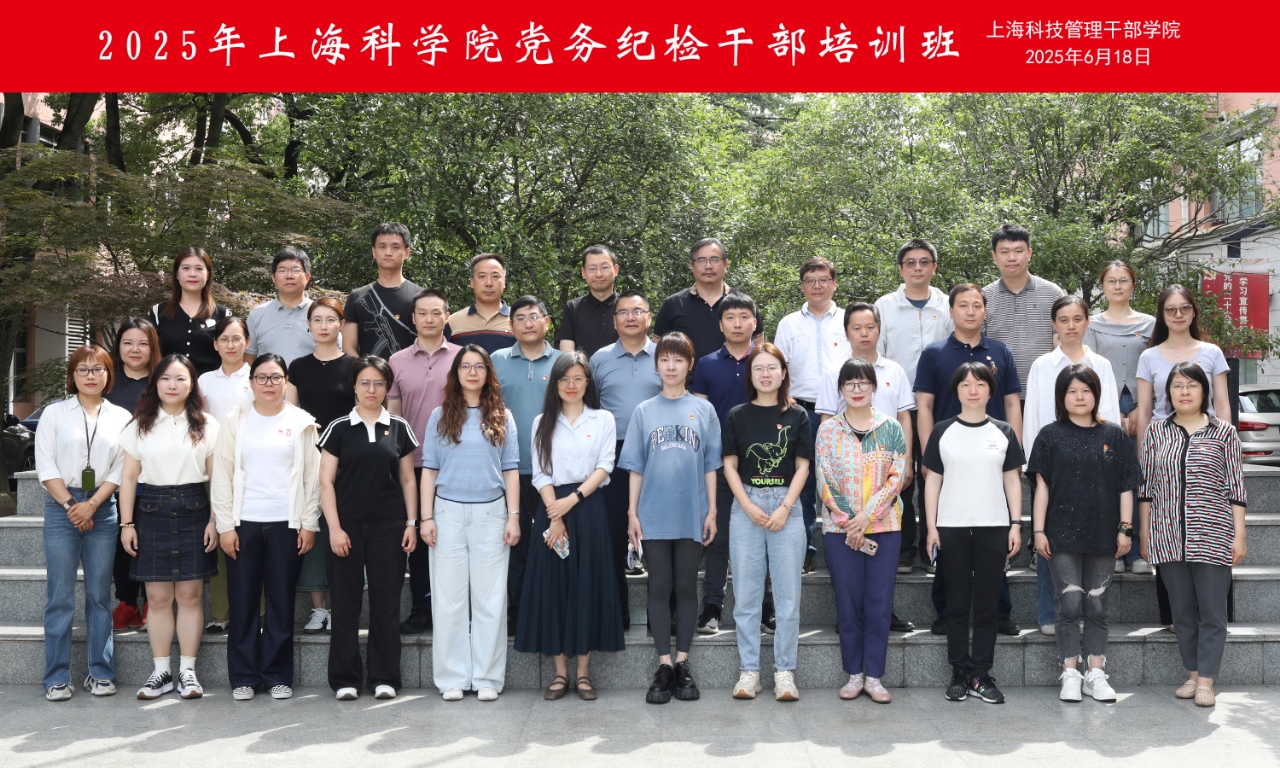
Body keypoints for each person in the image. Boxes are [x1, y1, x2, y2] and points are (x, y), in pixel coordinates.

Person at [1028, 364, 1141, 703]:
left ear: (1096, 394)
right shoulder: (1049, 435)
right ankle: (1070, 672)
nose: (1080, 397)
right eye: (1072, 391)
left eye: (1086, 390)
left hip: (1104, 533)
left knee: (1097, 604)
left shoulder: (1115, 436)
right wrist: (1038, 530)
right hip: (1060, 533)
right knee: (1069, 603)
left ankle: (1096, 672)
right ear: (1061, 397)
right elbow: (1041, 488)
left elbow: (1126, 487)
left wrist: (1125, 529)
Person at [619, 332, 722, 705]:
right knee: (659, 587)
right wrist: (632, 513)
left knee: (686, 587)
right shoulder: (644, 411)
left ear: (690, 364)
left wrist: (712, 511)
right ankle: (663, 665)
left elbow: (711, 466)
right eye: (664, 359)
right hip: (653, 514)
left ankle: (682, 662)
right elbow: (635, 467)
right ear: (657, 364)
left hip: (692, 513)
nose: (671, 366)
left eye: (679, 359)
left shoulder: (704, 411)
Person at [515, 351, 624, 700]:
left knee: (587, 586)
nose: (571, 385)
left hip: (588, 508)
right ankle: (560, 673)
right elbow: (540, 472)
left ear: (587, 382)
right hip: (552, 507)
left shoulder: (602, 419)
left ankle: (584, 673)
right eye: (564, 379)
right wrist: (556, 515)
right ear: (555, 383)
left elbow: (605, 467)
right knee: (555, 588)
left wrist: (571, 501)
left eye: (578, 378)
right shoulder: (542, 422)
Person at [914, 284, 1022, 636]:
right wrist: (929, 454)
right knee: (947, 538)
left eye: (977, 305)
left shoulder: (1001, 352)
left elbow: (1011, 403)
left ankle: (999, 612)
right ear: (951, 311)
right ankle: (947, 611)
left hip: (992, 457)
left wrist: (1015, 452)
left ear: (985, 311)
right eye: (963, 305)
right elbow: (925, 406)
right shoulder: (934, 353)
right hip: (950, 456)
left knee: (995, 537)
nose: (970, 311)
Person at [211, 354, 321, 701]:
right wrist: (225, 525)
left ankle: (276, 675)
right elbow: (222, 474)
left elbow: (312, 477)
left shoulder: (302, 422)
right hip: (243, 523)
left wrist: (309, 522)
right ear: (251, 383)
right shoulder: (235, 420)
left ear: (286, 381)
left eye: (276, 377)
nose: (269, 384)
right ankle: (243, 676)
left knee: (280, 602)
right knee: (242, 602)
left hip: (287, 524)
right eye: (261, 377)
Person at [1139, 362, 1246, 708]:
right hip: (1168, 534)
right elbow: (1146, 488)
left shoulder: (1224, 433)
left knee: (1213, 612)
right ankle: (1193, 673)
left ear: (1205, 391)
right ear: (1168, 392)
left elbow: (1236, 488)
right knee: (1182, 612)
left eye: (1192, 385)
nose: (1184, 392)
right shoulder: (1156, 433)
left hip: (1213, 534)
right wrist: (1145, 534)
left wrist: (1239, 535)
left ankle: (1207, 680)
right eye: (1177, 386)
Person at [419, 345, 521, 701]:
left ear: (488, 373)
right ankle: (452, 678)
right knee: (448, 600)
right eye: (466, 366)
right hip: (446, 513)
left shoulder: (502, 416)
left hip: (491, 514)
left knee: (490, 599)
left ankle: (487, 678)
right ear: (456, 372)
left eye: (479, 366)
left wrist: (514, 516)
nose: (473, 372)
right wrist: (426, 518)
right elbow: (429, 469)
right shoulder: (439, 416)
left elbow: (511, 470)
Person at [317, 356, 419, 701]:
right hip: (345, 526)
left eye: (378, 383)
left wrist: (411, 523)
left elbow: (408, 480)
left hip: (389, 527)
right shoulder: (338, 428)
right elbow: (326, 483)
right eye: (365, 382)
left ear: (387, 387)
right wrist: (334, 528)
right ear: (354, 386)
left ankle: (384, 677)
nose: (372, 389)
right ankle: (345, 679)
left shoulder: (400, 427)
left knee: (386, 604)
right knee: (345, 604)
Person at [118, 355, 219, 700]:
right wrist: (127, 523)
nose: (172, 385)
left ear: (192, 384)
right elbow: (128, 478)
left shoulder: (207, 424)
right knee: (158, 597)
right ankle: (160, 672)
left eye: (180, 379)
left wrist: (215, 520)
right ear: (155, 383)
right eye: (165, 379)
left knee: (190, 595)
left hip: (195, 508)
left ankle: (188, 672)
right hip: (151, 508)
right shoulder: (139, 424)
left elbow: (217, 478)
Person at [923, 362, 1024, 705]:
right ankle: (959, 673)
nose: (973, 390)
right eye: (965, 384)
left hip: (993, 526)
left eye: (980, 384)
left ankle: (980, 673)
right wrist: (932, 527)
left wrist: (1015, 523)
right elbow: (932, 481)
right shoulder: (943, 431)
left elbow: (1012, 480)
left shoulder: (1003, 431)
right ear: (956, 391)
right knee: (955, 604)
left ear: (990, 391)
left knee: (987, 605)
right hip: (951, 527)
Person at [36, 346, 131, 701]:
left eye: (98, 369)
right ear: (72, 375)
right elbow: (46, 465)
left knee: (99, 595)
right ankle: (56, 677)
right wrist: (73, 505)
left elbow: (121, 469)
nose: (91, 376)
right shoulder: (54, 413)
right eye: (83, 370)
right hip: (61, 506)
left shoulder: (121, 416)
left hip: (102, 508)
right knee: (60, 596)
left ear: (108, 374)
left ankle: (100, 673)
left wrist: (92, 505)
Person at [1022, 296, 1121, 636]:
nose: (1071, 325)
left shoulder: (1101, 365)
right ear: (1054, 324)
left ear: (1087, 322)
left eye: (1077, 318)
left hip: (1095, 466)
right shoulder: (1042, 365)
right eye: (1063, 320)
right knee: (1048, 538)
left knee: (1092, 539)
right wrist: (1034, 465)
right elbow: (1032, 416)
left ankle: (1087, 614)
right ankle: (1050, 614)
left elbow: (1110, 414)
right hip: (1052, 465)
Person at [1136, 286, 1232, 632]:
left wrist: (1226, 449)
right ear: (1161, 315)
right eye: (1170, 310)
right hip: (1164, 452)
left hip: (1206, 450)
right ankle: (1177, 618)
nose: (1178, 315)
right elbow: (1144, 412)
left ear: (1193, 312)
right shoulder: (1150, 356)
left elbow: (1222, 405)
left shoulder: (1211, 352)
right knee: (1168, 534)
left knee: (1210, 537)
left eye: (1184, 308)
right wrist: (1145, 457)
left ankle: (1212, 616)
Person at [724, 343, 811, 701]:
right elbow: (730, 465)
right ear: (750, 374)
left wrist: (785, 507)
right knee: (746, 597)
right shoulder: (737, 415)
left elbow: (803, 466)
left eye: (772, 367)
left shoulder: (797, 415)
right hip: (746, 505)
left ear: (783, 372)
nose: (765, 374)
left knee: (788, 597)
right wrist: (747, 505)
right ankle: (749, 673)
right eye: (758, 368)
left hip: (785, 506)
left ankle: (784, 672)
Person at [817, 358, 907, 703]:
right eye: (850, 383)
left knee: (879, 603)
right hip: (840, 531)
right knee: (848, 602)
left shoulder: (891, 428)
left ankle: (875, 677)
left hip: (884, 528)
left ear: (874, 386)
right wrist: (849, 522)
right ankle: (854, 674)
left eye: (863, 383)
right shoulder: (828, 430)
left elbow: (896, 477)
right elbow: (824, 478)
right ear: (841, 389)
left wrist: (867, 517)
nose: (857, 389)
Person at [816, 302, 916, 590]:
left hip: (887, 468)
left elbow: (904, 417)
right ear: (846, 332)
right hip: (845, 473)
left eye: (870, 327)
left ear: (879, 330)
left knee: (882, 573)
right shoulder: (834, 372)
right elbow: (826, 420)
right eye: (856, 328)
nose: (864, 333)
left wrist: (908, 460)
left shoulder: (894, 370)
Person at [875, 239, 953, 574]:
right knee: (900, 478)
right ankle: (904, 548)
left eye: (924, 262)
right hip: (897, 408)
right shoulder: (884, 306)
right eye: (910, 262)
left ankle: (933, 549)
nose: (917, 268)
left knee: (938, 475)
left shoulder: (948, 305)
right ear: (900, 268)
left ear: (934, 267)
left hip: (941, 405)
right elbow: (876, 355)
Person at [770, 258, 850, 573]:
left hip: (844, 412)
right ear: (802, 285)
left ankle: (846, 547)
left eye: (823, 279)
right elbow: (780, 369)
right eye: (810, 280)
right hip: (800, 410)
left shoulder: (848, 320)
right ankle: (803, 549)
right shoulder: (789, 324)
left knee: (843, 480)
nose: (817, 286)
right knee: (801, 484)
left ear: (834, 283)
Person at [388, 289, 461, 634]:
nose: (429, 319)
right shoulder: (397, 361)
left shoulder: (463, 358)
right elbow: (394, 414)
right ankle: (422, 607)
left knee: (454, 536)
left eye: (436, 312)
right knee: (418, 535)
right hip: (413, 462)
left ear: (447, 316)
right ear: (413, 318)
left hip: (457, 461)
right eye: (422, 313)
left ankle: (457, 608)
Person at [590, 290, 663, 625]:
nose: (631, 317)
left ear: (649, 317)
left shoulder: (664, 355)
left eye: (638, 311)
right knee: (614, 531)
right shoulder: (599, 359)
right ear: (614, 320)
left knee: (658, 533)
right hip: (614, 452)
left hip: (659, 451)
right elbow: (590, 408)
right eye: (623, 312)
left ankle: (660, 614)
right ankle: (615, 614)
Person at [287, 298, 356, 636]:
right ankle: (319, 608)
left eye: (331, 319)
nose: (324, 325)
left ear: (341, 324)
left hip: (349, 459)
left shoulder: (355, 365)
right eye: (317, 320)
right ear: (309, 325)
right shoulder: (298, 367)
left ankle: (345, 603)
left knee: (346, 528)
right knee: (312, 527)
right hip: (310, 459)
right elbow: (290, 415)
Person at [491, 296, 561, 632]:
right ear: (511, 325)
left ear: (547, 321)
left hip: (555, 472)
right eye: (520, 317)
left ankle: (553, 611)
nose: (528, 323)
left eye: (534, 316)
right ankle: (518, 615)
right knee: (515, 546)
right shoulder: (496, 361)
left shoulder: (563, 362)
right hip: (510, 470)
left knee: (555, 544)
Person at [691, 290, 758, 635]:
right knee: (717, 538)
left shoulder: (765, 360)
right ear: (720, 325)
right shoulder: (706, 364)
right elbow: (699, 416)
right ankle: (712, 606)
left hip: (760, 465)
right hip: (717, 464)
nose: (737, 323)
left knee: (762, 538)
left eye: (744, 317)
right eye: (730, 318)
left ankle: (766, 606)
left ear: (754, 322)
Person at [1083, 260, 1156, 574]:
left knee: (1138, 477)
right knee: (1107, 478)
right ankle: (1112, 548)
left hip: (1143, 405)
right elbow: (1088, 371)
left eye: (1123, 280)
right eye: (1111, 280)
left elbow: (1156, 367)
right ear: (1103, 286)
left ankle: (1137, 551)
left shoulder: (1151, 324)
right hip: (1103, 405)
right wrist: (1109, 412)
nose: (1117, 285)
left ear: (1133, 284)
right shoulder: (1092, 324)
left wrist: (1142, 408)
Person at [198, 315, 255, 634]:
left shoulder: (258, 377)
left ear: (247, 342)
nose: (231, 345)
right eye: (224, 339)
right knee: (220, 540)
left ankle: (257, 613)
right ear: (215, 344)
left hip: (255, 470)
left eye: (237, 339)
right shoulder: (205, 381)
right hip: (216, 469)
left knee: (254, 542)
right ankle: (221, 613)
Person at [106, 318, 161, 633]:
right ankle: (127, 603)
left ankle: (153, 601)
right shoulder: (107, 381)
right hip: (115, 476)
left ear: (153, 347)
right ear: (119, 347)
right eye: (128, 342)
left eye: (143, 343)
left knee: (151, 541)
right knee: (120, 542)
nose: (135, 349)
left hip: (155, 477)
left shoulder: (162, 380)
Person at [980, 224, 1067, 389]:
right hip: (999, 391)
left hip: (1046, 389)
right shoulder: (983, 298)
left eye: (1018, 251)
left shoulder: (1053, 293)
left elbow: (1062, 341)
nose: (1012, 258)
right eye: (1004, 252)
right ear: (994, 257)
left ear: (1029, 254)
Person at [654, 237, 764, 360]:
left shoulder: (744, 304)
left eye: (714, 259)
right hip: (687, 373)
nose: (708, 266)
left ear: (725, 264)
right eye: (701, 260)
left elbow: (759, 350)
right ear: (692, 265)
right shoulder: (673, 304)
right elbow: (657, 351)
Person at [344, 223, 421, 359]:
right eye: (382, 246)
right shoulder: (357, 297)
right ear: (374, 252)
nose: (388, 252)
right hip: (367, 372)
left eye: (395, 247)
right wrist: (366, 370)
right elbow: (348, 346)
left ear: (407, 253)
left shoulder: (421, 297)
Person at [150, 247, 231, 375]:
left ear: (208, 274)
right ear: (177, 274)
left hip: (209, 385)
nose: (192, 274)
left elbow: (230, 357)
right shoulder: (158, 312)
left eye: (199, 268)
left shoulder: (222, 314)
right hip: (169, 384)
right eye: (186, 268)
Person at [245, 246, 316, 366]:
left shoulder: (321, 314)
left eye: (296, 270)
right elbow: (249, 357)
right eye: (282, 270)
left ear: (307, 277)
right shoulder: (257, 315)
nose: (289, 276)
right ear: (273, 277)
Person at [444, 253, 515, 354]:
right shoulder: (453, 322)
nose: (489, 283)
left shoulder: (518, 320)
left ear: (504, 282)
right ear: (472, 282)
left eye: (495, 276)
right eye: (482, 276)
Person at [558, 244, 621, 357]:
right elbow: (567, 356)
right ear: (583, 273)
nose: (598, 274)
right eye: (592, 268)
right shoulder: (573, 308)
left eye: (604, 267)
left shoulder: (628, 307)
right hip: (583, 369)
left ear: (616, 270)